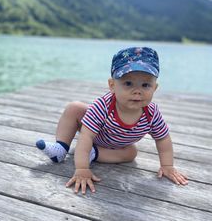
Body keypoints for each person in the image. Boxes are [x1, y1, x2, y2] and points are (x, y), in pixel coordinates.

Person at [36, 47, 188, 194]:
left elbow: (163, 139)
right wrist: (82, 169)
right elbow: (86, 136)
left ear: (155, 88)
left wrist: (167, 165)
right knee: (74, 108)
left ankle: (93, 154)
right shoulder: (103, 106)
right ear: (112, 85)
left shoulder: (151, 113)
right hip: (94, 134)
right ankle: (61, 148)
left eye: (145, 85)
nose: (137, 91)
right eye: (128, 83)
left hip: (117, 146)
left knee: (131, 153)